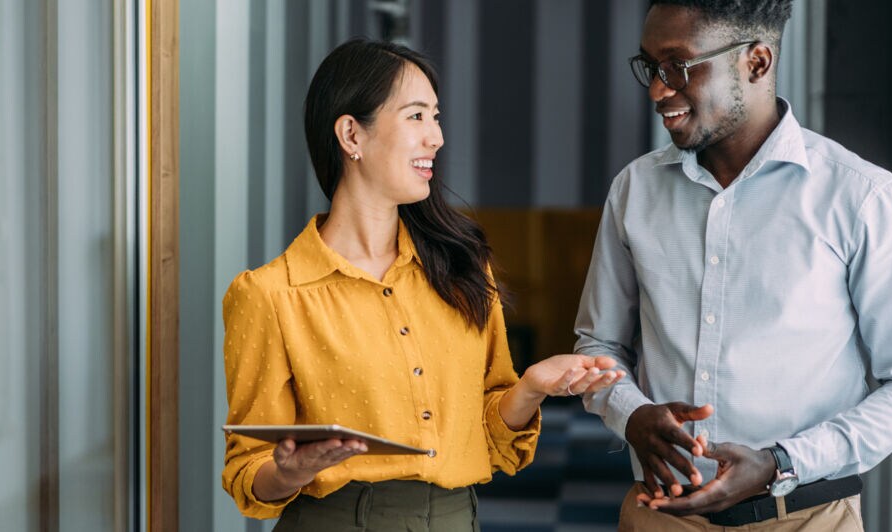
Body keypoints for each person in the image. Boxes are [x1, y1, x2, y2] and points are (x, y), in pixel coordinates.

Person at [574, 1, 892, 530]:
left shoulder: (864, 198)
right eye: (651, 68)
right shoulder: (634, 190)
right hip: (660, 516)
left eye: (678, 66)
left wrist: (782, 463)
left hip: (807, 518)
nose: (658, 89)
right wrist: (629, 412)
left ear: (756, 62)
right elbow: (598, 347)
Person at [222, 38, 624, 530]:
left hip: (457, 517)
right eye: (416, 116)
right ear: (352, 135)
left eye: (436, 117)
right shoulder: (269, 295)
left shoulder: (465, 267)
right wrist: (289, 472)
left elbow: (494, 440)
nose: (435, 137)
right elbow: (248, 472)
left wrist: (531, 387)